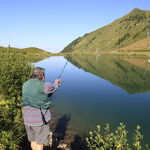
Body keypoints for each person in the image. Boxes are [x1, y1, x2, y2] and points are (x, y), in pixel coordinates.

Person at [21, 67, 60, 150]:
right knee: (40, 143)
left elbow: (39, 95)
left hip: (27, 119)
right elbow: (54, 88)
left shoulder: (25, 84)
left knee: (33, 141)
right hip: (39, 121)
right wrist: (57, 82)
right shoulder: (46, 85)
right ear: (42, 76)